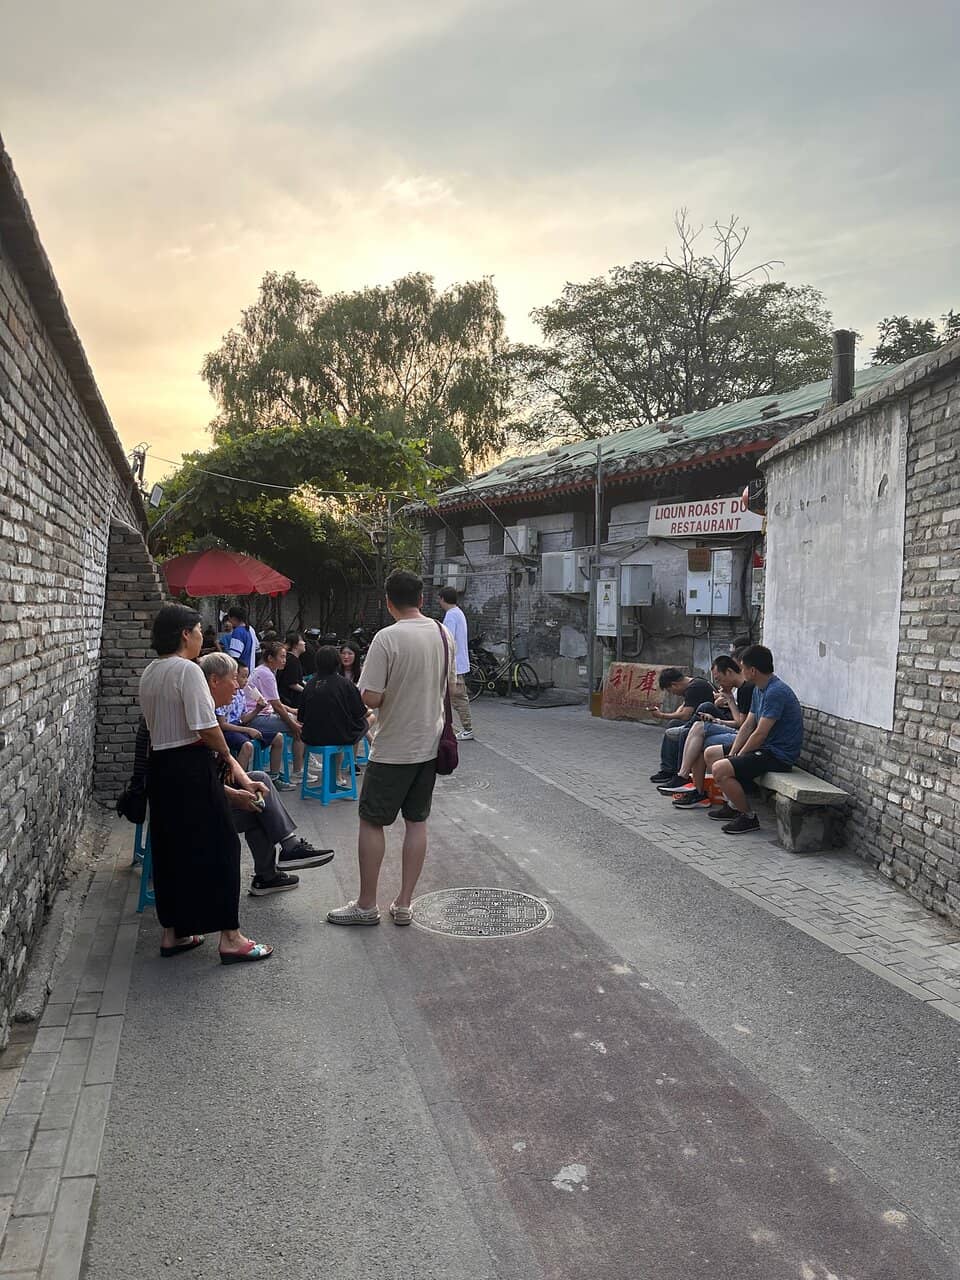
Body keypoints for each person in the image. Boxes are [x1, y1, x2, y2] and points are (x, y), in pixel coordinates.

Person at [138, 603, 272, 964]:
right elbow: (205, 725)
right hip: (189, 766)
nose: (202, 637)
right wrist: (226, 755)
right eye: (198, 631)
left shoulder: (150, 671)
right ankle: (231, 936)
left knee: (171, 849)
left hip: (161, 766)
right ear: (186, 633)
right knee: (223, 846)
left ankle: (173, 932)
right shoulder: (188, 670)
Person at [327, 570, 454, 928]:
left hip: (393, 746)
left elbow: (371, 696)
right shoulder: (443, 633)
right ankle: (403, 904)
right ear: (422, 599)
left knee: (371, 821)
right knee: (417, 822)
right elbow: (453, 686)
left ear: (387, 601)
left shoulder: (387, 638)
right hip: (429, 744)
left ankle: (367, 904)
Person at [200, 653, 335, 895]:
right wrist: (235, 795)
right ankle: (272, 869)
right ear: (213, 681)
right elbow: (197, 781)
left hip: (211, 794)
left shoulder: (207, 710)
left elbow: (222, 763)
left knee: (259, 782)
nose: (238, 685)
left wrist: (243, 784)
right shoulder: (200, 719)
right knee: (260, 809)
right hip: (199, 810)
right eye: (234, 679)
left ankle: (281, 856)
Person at [703, 644, 804, 835]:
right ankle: (733, 806)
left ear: (752, 670)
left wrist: (738, 757)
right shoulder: (759, 689)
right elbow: (748, 725)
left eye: (742, 668)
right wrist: (734, 753)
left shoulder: (776, 692)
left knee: (720, 768)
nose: (741, 672)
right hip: (765, 748)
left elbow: (760, 733)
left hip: (778, 755)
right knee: (711, 753)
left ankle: (748, 817)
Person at [657, 656, 754, 797]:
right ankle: (687, 781)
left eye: (719, 679)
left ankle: (689, 782)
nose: (718, 683)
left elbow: (742, 725)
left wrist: (728, 703)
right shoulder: (741, 689)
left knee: (698, 732)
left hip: (744, 736)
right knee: (697, 729)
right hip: (735, 728)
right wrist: (717, 719)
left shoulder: (746, 688)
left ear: (729, 672)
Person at [299, 646, 370, 786]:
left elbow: (301, 716)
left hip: (311, 737)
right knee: (363, 722)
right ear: (337, 662)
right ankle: (338, 774)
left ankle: (335, 775)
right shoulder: (346, 684)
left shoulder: (309, 685)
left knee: (336, 727)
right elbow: (360, 712)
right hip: (340, 735)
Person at [245, 641, 305, 785]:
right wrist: (292, 724)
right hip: (256, 717)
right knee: (300, 727)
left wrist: (291, 710)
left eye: (285, 657)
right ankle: (298, 771)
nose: (284, 660)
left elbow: (273, 701)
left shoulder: (263, 670)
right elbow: (276, 705)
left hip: (262, 713)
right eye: (281, 657)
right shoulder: (266, 674)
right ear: (270, 658)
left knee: (295, 721)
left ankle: (278, 773)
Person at [648, 667, 717, 784]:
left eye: (670, 691)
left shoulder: (694, 688)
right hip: (698, 721)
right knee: (674, 724)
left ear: (674, 685)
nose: (673, 694)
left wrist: (661, 715)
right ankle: (669, 769)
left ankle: (675, 770)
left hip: (707, 722)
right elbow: (684, 707)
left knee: (677, 729)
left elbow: (685, 715)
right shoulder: (695, 683)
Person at [437, 587, 473, 741]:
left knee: (458, 696)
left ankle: (467, 728)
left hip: (455, 663)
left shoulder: (451, 616)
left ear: (443, 599)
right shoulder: (458, 612)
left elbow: (448, 640)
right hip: (458, 661)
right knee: (452, 696)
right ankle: (448, 726)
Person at [277, 632, 307, 708]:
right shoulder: (293, 661)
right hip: (290, 700)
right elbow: (292, 683)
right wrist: (306, 691)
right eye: (301, 640)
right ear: (295, 645)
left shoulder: (291, 659)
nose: (304, 643)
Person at [224, 606, 255, 672]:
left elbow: (234, 657)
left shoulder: (238, 632)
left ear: (233, 618)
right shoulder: (250, 629)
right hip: (250, 670)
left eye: (229, 618)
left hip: (240, 672)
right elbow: (257, 649)